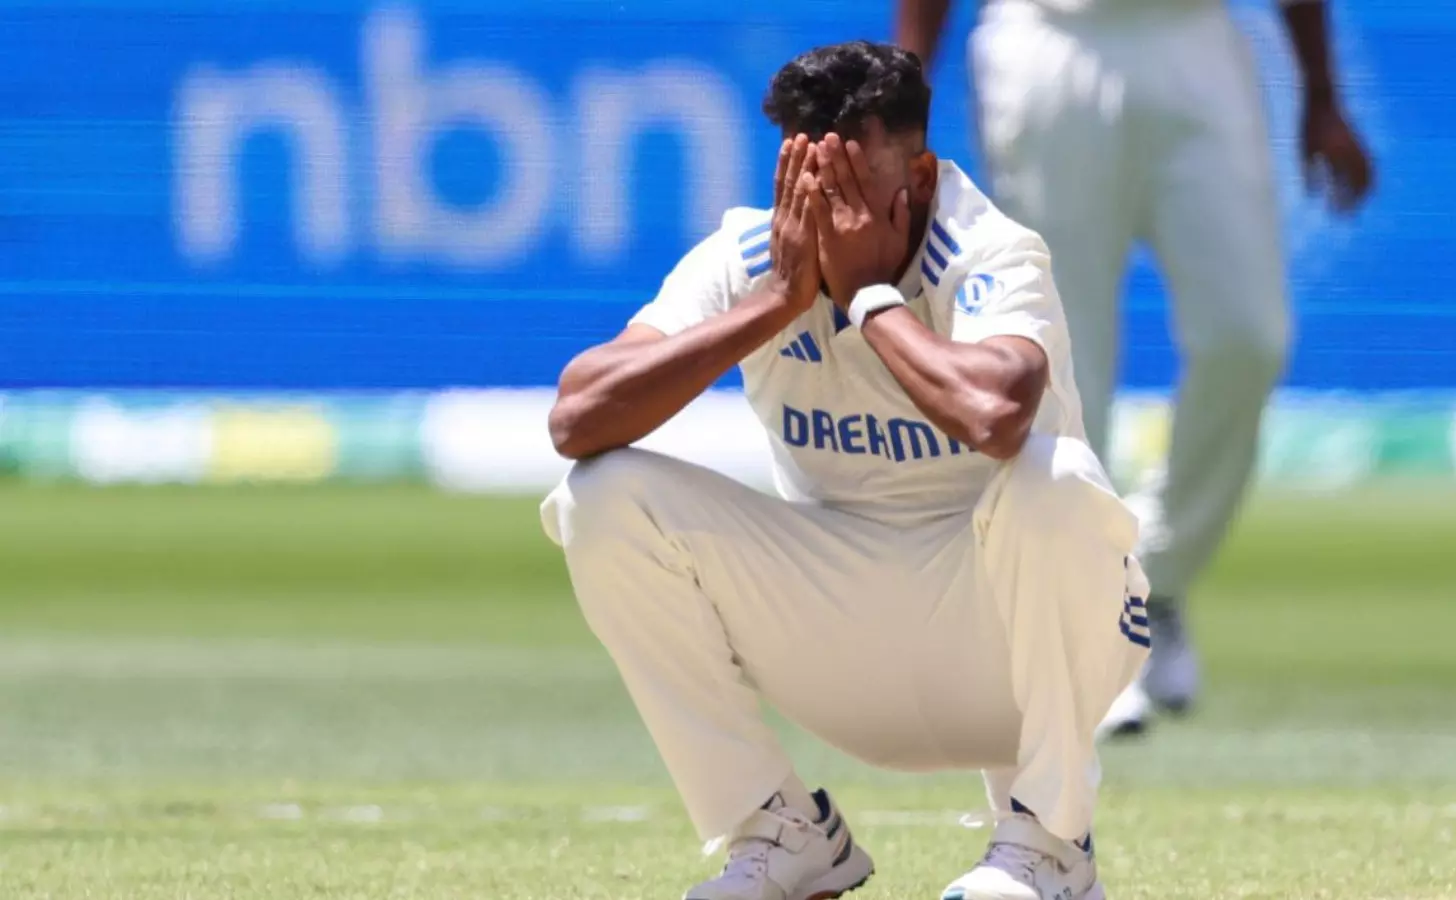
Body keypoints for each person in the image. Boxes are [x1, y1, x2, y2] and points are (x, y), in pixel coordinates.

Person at [541, 40, 1150, 900]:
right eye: (807, 185)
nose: (828, 215)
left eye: (854, 187)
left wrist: (869, 297)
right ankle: (782, 832)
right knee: (600, 498)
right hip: (846, 639)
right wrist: (772, 305)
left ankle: (1051, 843)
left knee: (1054, 478)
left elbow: (997, 414)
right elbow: (577, 416)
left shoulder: (991, 249)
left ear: (922, 178)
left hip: (1021, 648)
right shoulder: (754, 258)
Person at [895, 0, 1374, 735]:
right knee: (1061, 349)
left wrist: (1323, 94)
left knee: (1247, 335)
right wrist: (904, 100)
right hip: (1048, 41)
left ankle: (1156, 576)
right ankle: (1093, 624)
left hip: (1194, 42)